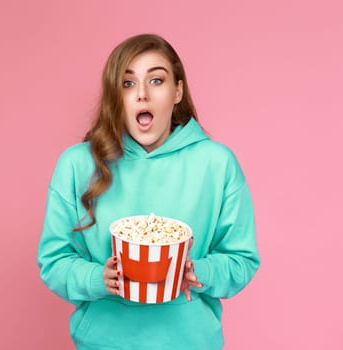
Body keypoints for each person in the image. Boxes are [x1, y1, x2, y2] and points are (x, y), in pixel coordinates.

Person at [37, 33, 260, 350]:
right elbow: (54, 261)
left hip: (191, 342)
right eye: (128, 84)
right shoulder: (76, 165)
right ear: (116, 97)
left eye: (156, 80)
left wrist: (198, 271)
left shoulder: (217, 164)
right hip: (102, 342)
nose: (142, 94)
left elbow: (241, 260)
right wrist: (98, 278)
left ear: (177, 91)